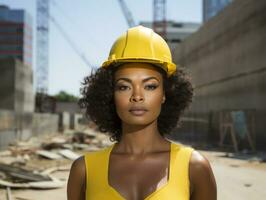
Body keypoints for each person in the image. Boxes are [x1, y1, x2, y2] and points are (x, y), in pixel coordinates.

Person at [67, 26, 217, 200]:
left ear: (164, 94)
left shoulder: (194, 167)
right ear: (110, 94)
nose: (137, 96)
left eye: (150, 86)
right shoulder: (83, 170)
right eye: (124, 86)